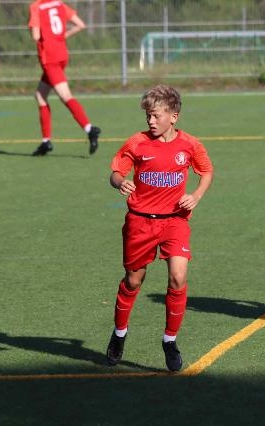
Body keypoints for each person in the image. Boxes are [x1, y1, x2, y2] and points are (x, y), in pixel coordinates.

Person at [106, 85, 214, 372]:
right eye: (148, 116)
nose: (150, 121)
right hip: (140, 221)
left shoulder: (189, 145)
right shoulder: (137, 143)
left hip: (174, 221)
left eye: (156, 116)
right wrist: (121, 182)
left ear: (173, 116)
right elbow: (115, 173)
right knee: (133, 281)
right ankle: (119, 334)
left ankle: (170, 341)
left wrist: (196, 196)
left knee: (178, 276)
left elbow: (206, 171)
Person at [28, 0, 101, 156]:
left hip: (50, 58)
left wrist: (34, 29)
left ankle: (90, 129)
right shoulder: (59, 4)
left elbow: (36, 36)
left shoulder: (36, 7)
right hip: (61, 54)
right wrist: (61, 36)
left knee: (66, 96)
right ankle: (46, 142)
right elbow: (80, 25)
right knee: (40, 95)